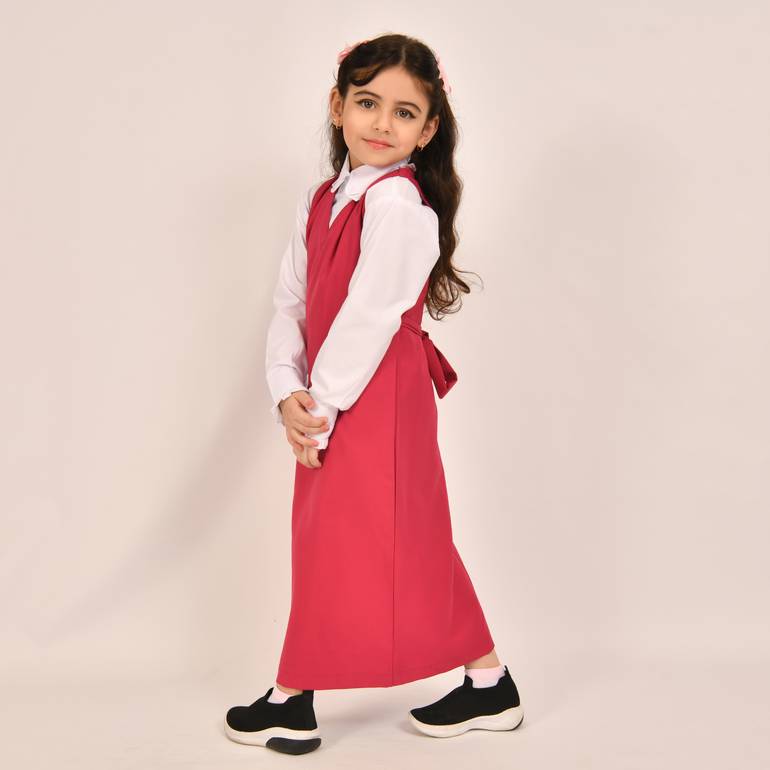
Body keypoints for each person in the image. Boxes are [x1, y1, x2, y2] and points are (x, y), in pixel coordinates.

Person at [224, 33, 524, 755]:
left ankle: (292, 697)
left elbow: (370, 315)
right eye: (367, 103)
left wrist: (320, 407)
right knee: (371, 537)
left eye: (404, 111)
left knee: (353, 536)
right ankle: (488, 681)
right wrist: (285, 387)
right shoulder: (320, 200)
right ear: (337, 107)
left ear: (427, 130)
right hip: (332, 394)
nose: (382, 123)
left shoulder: (400, 207)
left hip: (378, 399)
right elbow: (292, 304)